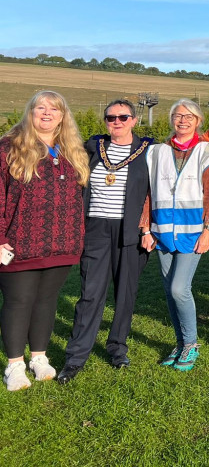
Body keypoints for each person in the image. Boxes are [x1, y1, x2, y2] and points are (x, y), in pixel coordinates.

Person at [58, 100, 154, 383]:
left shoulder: (148, 152)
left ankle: (117, 348)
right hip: (96, 229)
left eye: (123, 117)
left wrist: (148, 228)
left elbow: (155, 192)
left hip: (131, 231)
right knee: (90, 295)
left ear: (134, 120)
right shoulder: (92, 148)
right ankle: (76, 357)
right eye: (111, 117)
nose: (117, 122)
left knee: (125, 294)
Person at [1, 91, 88, 391]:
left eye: (54, 109)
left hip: (61, 243)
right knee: (19, 301)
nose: (47, 113)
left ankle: (38, 357)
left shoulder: (71, 151)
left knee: (46, 301)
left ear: (63, 116)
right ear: (30, 112)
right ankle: (14, 364)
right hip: (18, 243)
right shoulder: (10, 147)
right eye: (41, 108)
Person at [146, 99, 209, 372]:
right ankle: (179, 343)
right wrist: (146, 228)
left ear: (198, 121)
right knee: (169, 291)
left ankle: (191, 344)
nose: (183, 120)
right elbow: (149, 192)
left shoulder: (207, 151)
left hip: (193, 231)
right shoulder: (156, 152)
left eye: (189, 116)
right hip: (163, 230)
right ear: (172, 120)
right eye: (178, 116)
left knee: (180, 288)